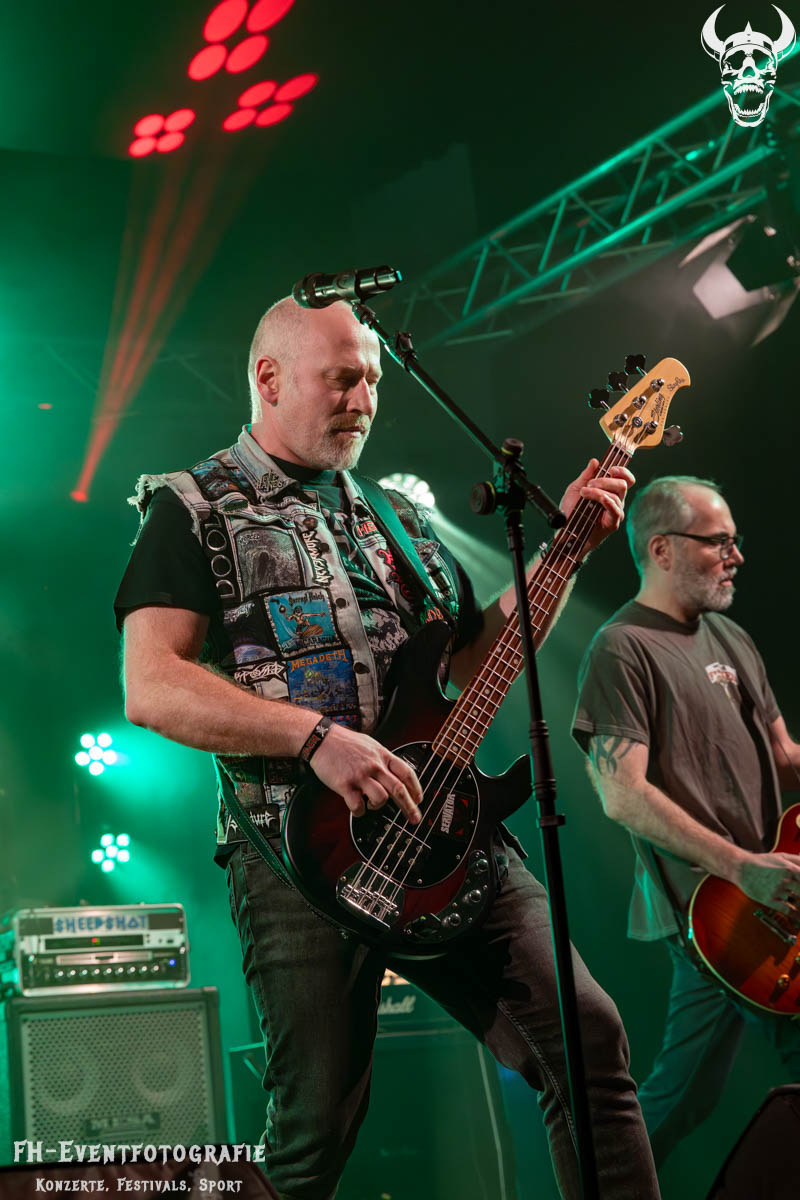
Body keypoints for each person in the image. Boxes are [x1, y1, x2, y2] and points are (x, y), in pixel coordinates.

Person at [115, 296, 660, 1200]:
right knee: (312, 1136)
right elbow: (153, 685)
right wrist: (315, 739)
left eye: (372, 380)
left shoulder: (398, 514)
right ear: (269, 378)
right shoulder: (192, 506)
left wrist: (566, 550)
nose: (363, 400)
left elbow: (474, 663)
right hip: (297, 854)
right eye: (341, 379)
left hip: (443, 832)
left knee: (588, 1044)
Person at [572, 474, 800, 1167]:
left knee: (684, 1094)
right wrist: (742, 868)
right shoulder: (621, 647)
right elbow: (621, 795)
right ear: (662, 549)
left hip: (771, 899)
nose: (736, 556)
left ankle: (605, 1182)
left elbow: (784, 755)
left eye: (735, 541)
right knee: (687, 1091)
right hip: (713, 907)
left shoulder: (729, 635)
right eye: (718, 542)